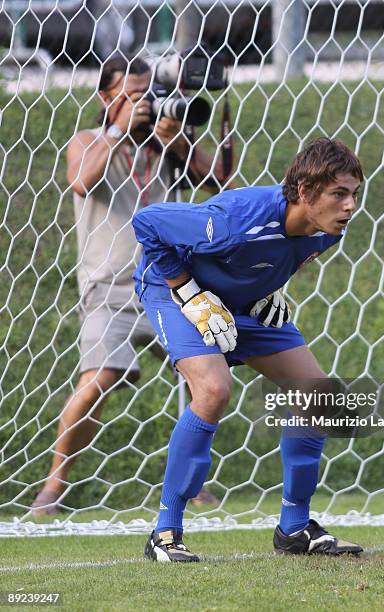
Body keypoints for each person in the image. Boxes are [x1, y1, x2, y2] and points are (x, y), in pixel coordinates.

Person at [132, 137, 365, 561]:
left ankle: (295, 529)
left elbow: (276, 257)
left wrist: (269, 287)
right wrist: (187, 292)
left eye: (354, 195)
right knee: (213, 389)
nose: (350, 206)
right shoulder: (234, 219)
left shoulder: (326, 232)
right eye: (339, 194)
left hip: (240, 303)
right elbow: (147, 222)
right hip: (173, 293)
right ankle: (164, 533)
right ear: (304, 192)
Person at [31, 55, 223, 516]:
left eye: (149, 95)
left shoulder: (164, 147)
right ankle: (54, 485)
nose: (144, 105)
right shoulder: (87, 140)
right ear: (106, 97)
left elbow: (220, 185)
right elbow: (80, 180)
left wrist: (180, 144)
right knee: (99, 378)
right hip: (108, 289)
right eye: (134, 96)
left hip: (168, 287)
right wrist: (117, 130)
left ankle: (191, 483)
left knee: (208, 380)